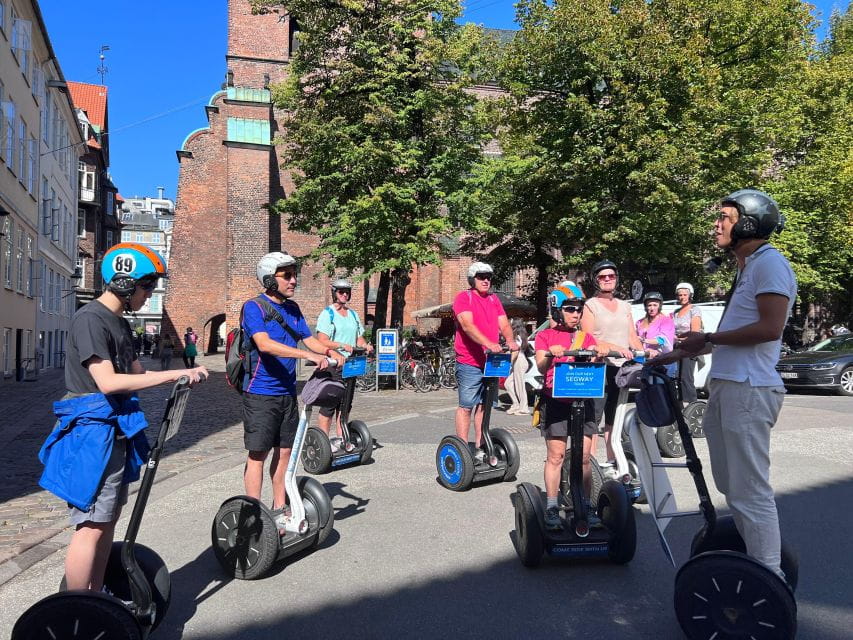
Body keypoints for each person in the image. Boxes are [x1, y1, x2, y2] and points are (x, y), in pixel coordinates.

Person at [38, 242, 208, 592]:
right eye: (147, 287)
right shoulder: (89, 320)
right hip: (92, 434)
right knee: (91, 524)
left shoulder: (119, 324)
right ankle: (74, 606)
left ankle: (96, 595)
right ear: (125, 283)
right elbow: (108, 381)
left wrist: (182, 376)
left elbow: (136, 373)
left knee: (108, 519)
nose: (150, 294)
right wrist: (171, 376)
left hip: (116, 431)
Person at [657, 188, 796, 580]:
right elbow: (734, 334)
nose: (716, 224)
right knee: (731, 486)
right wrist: (677, 354)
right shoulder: (747, 268)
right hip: (730, 385)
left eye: (724, 217)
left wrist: (710, 340)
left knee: (749, 490)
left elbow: (770, 328)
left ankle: (769, 577)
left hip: (749, 390)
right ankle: (756, 564)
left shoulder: (770, 265)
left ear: (748, 224)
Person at [240, 251, 344, 533]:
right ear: (269, 278)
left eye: (294, 275)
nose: (294, 280)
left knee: (285, 452)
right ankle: (253, 514)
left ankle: (279, 507)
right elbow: (264, 344)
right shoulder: (254, 308)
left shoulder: (294, 309)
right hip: (260, 392)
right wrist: (305, 355)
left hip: (287, 393)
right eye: (287, 276)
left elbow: (311, 341)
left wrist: (336, 349)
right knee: (258, 453)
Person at [535, 284, 607, 530]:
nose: (576, 314)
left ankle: (585, 504)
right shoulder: (545, 336)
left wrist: (601, 352)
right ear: (557, 310)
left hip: (583, 401)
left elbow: (596, 363)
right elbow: (541, 367)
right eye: (570, 309)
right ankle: (552, 506)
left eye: (578, 310)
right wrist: (550, 355)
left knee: (584, 457)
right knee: (555, 456)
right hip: (556, 402)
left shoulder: (585, 337)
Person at [580, 260, 643, 476]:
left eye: (611, 276)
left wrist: (645, 352)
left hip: (621, 367)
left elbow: (632, 336)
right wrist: (616, 348)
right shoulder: (591, 305)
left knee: (614, 416)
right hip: (599, 368)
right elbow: (588, 339)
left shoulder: (625, 306)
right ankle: (590, 465)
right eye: (602, 277)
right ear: (595, 280)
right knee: (593, 420)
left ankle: (611, 460)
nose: (607, 279)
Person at [452, 261, 518, 463]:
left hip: (491, 361)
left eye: (488, 276)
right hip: (469, 362)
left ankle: (480, 447)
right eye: (481, 277)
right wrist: (489, 342)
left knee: (484, 406)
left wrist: (510, 340)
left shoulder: (493, 299)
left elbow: (504, 322)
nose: (486, 280)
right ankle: (463, 449)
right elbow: (467, 325)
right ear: (473, 279)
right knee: (466, 406)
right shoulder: (464, 298)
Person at [314, 278, 373, 451]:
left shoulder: (353, 314)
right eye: (341, 292)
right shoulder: (328, 314)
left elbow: (358, 338)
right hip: (334, 364)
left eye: (347, 291)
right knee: (330, 403)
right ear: (334, 293)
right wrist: (340, 345)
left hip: (351, 364)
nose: (345, 294)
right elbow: (322, 340)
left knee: (346, 403)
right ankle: (323, 442)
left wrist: (364, 345)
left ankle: (342, 437)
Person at [671, 282, 703, 402]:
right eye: (680, 295)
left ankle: (692, 405)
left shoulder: (694, 310)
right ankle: (680, 405)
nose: (682, 297)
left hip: (689, 347)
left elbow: (694, 332)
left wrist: (680, 338)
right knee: (677, 377)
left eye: (685, 295)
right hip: (677, 347)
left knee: (686, 377)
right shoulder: (675, 312)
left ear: (690, 296)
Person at [636, 291, 676, 358]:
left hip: (662, 359)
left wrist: (643, 340)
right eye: (649, 305)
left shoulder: (666, 321)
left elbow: (662, 340)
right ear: (646, 307)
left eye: (655, 305)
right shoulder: (639, 322)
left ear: (659, 306)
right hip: (642, 358)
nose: (652, 308)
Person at [505, 318, 530, 415]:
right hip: (519, 360)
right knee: (508, 384)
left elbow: (515, 351)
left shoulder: (517, 336)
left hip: (519, 360)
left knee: (520, 385)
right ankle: (516, 404)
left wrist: (509, 363)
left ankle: (524, 408)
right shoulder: (521, 336)